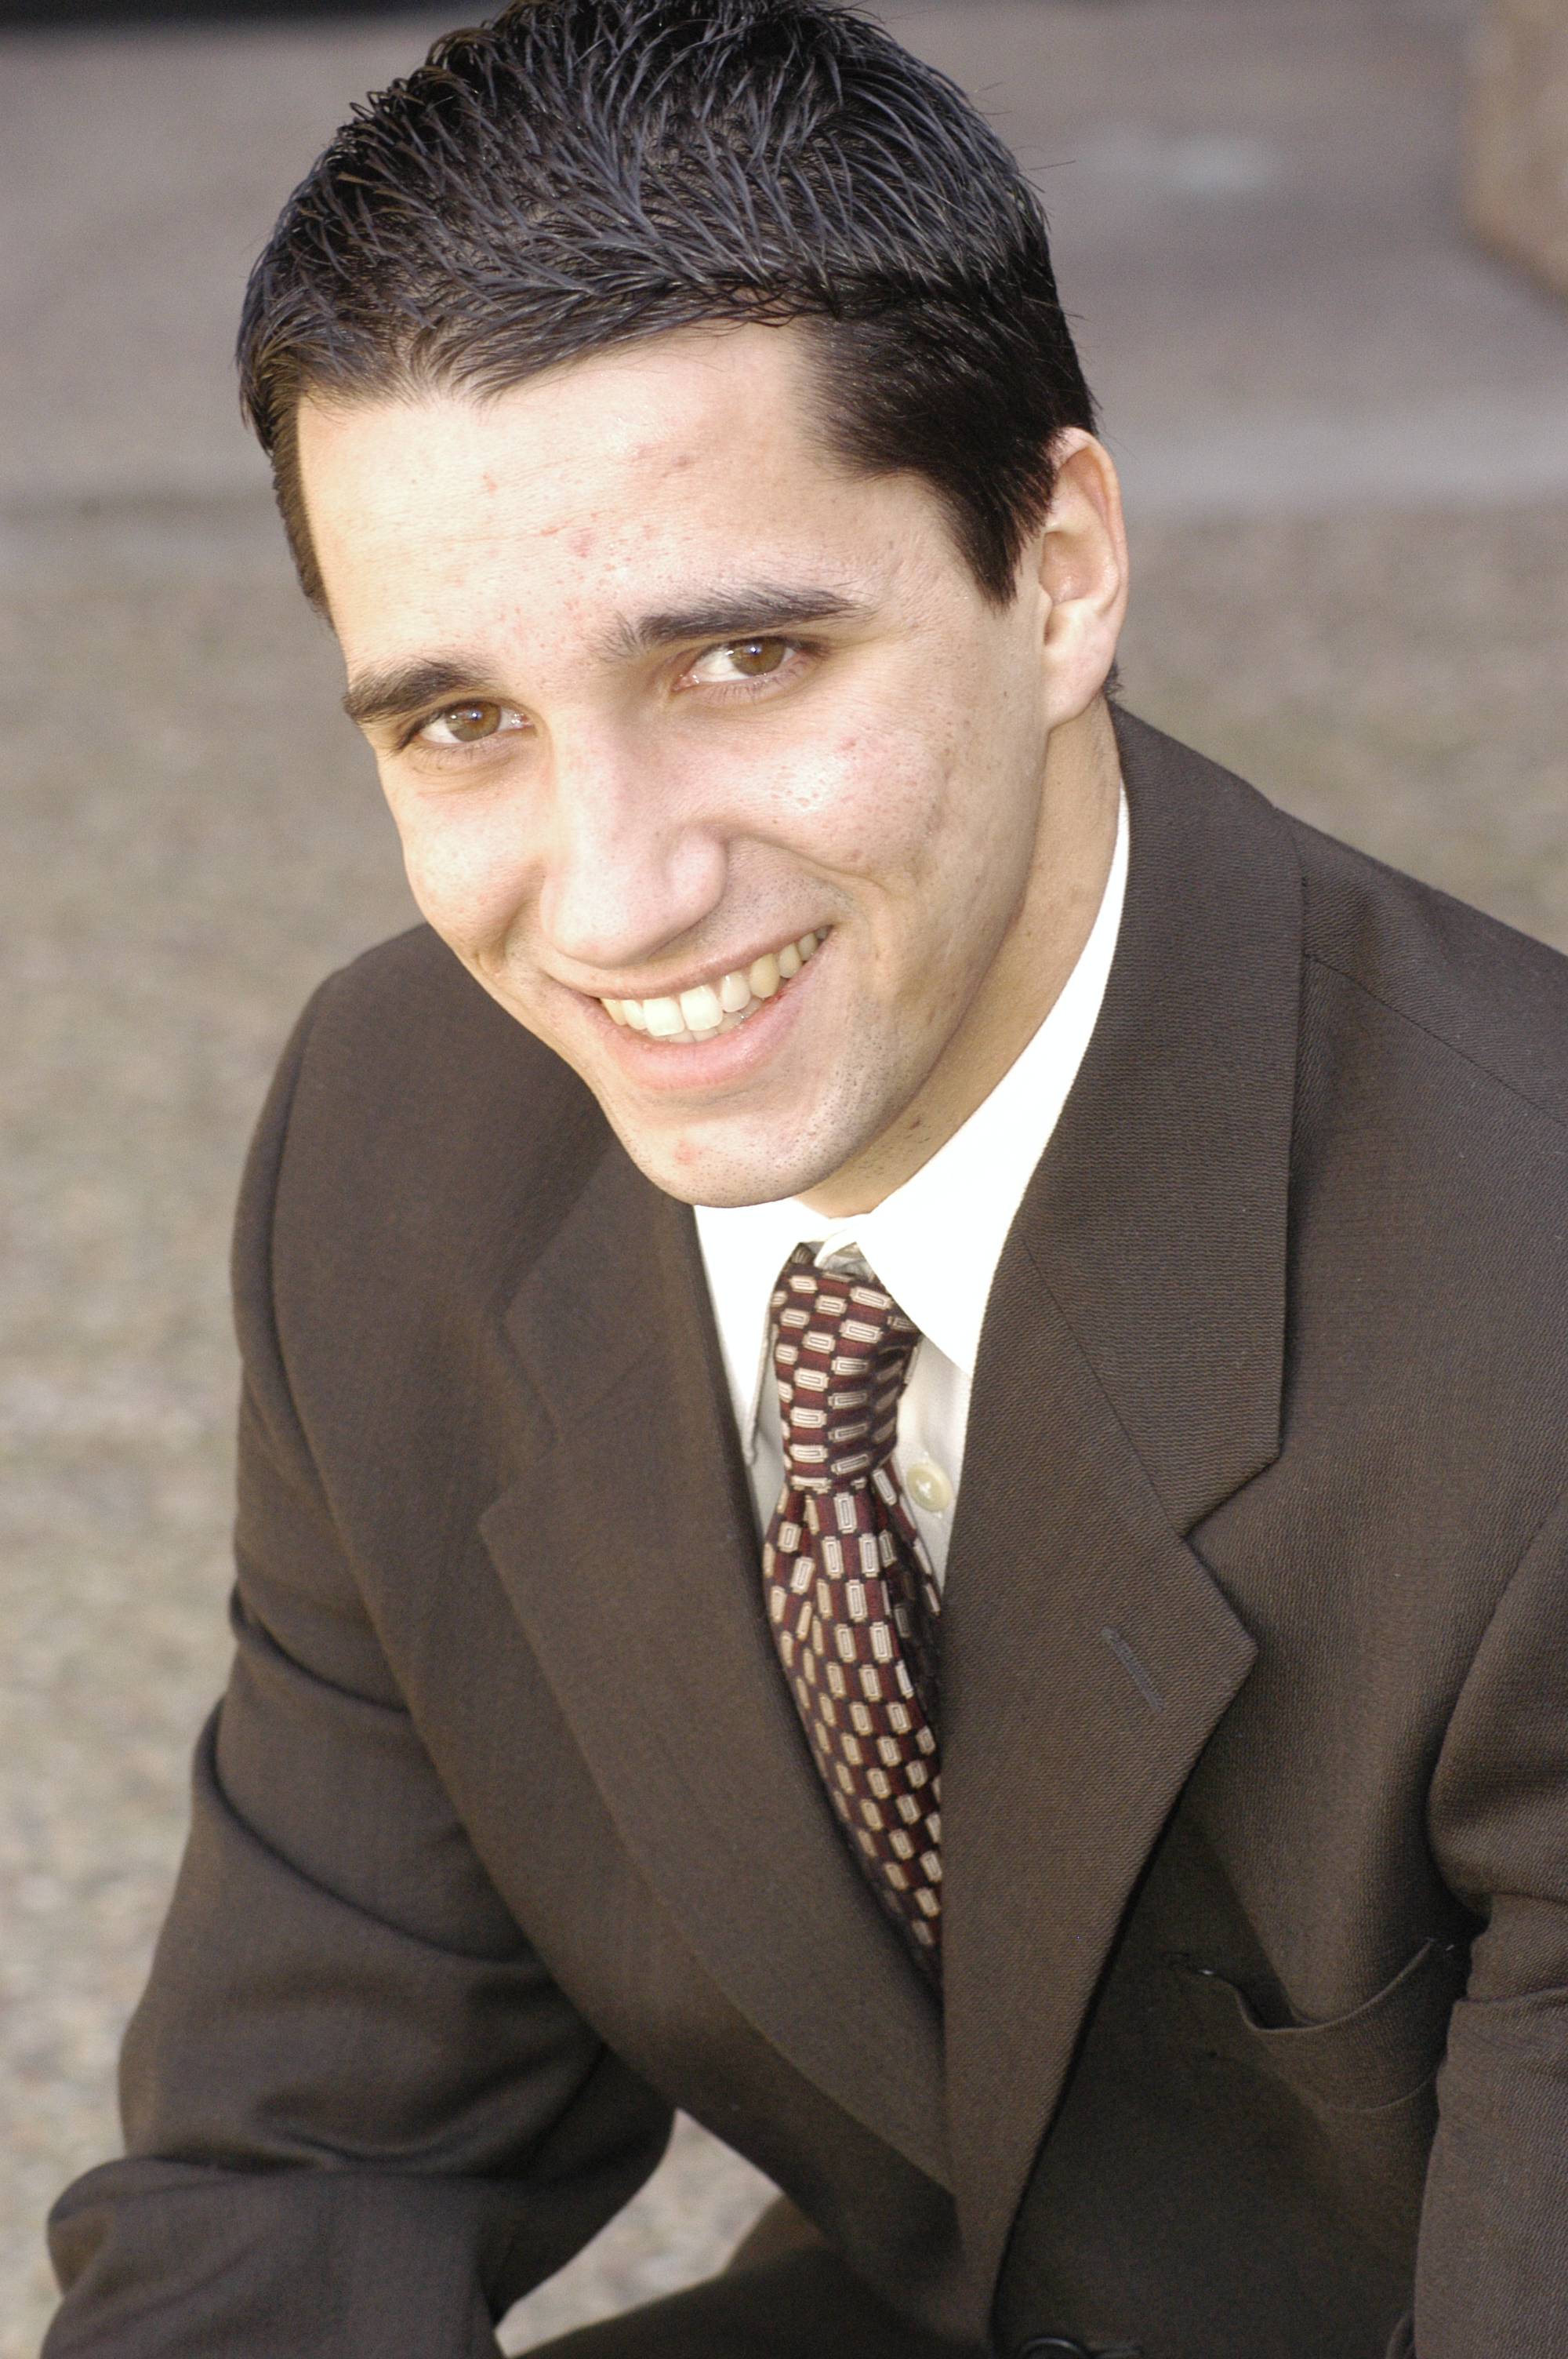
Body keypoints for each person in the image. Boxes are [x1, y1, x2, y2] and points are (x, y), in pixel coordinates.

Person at [43, 2, 1568, 2354]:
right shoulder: (404, 1140)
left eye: (744, 659)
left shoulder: (1528, 1328)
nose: (616, 896)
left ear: (1060, 569)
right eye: (462, 721)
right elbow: (315, 2159)